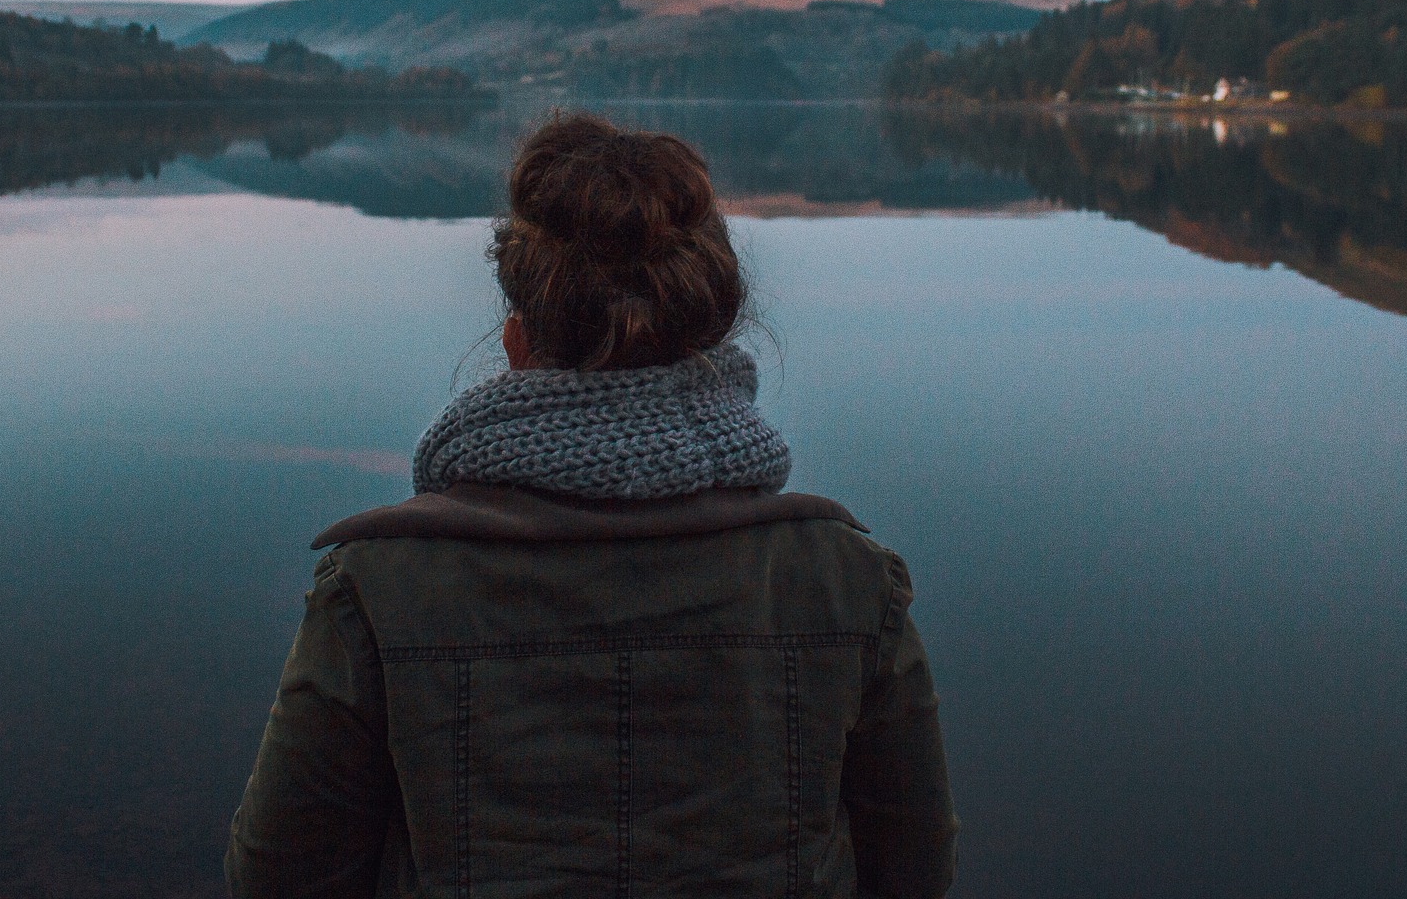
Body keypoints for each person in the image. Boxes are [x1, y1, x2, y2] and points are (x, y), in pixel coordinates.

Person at [226, 112, 957, 898]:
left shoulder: (374, 594)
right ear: (707, 343)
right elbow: (913, 874)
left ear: (515, 344)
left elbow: (278, 880)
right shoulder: (849, 583)